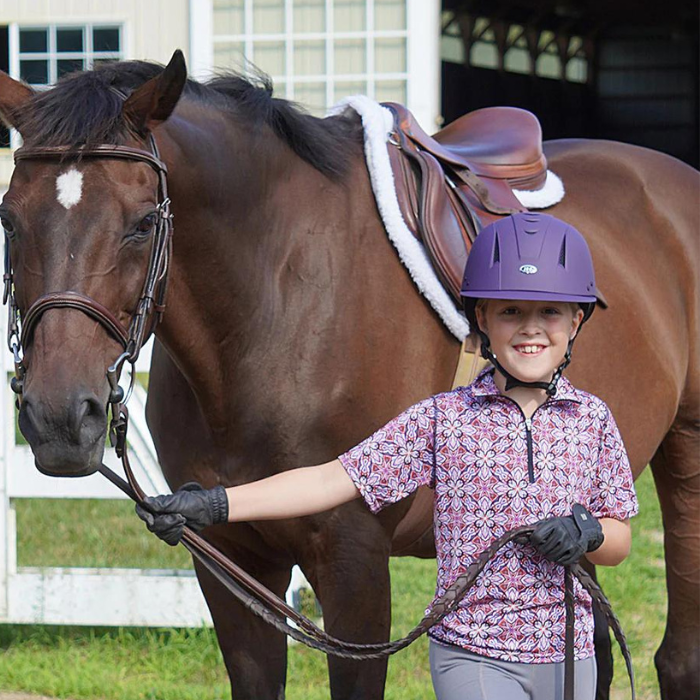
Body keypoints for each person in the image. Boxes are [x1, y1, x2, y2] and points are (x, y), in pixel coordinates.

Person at [136, 212, 638, 700]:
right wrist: (216, 505)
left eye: (549, 312)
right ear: (482, 319)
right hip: (473, 652)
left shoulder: (592, 421)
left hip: (568, 653)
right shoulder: (443, 419)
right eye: (510, 311)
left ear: (576, 320)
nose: (530, 329)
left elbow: (619, 541)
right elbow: (333, 481)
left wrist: (589, 532)